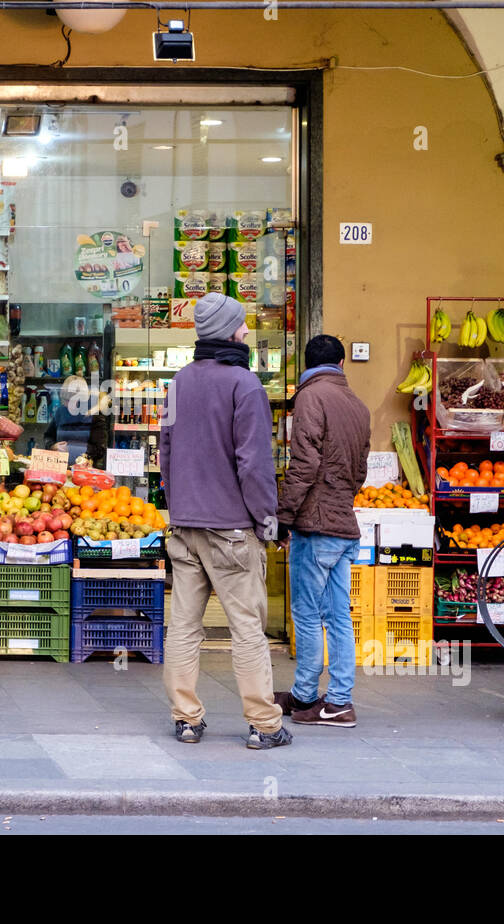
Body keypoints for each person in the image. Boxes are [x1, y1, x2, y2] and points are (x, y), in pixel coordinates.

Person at [159, 292, 290, 750]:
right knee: (247, 629)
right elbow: (253, 464)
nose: (248, 332)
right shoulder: (245, 384)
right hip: (232, 528)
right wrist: (267, 520)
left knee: (184, 626)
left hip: (186, 526)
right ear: (234, 332)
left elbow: (166, 455)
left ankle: (187, 719)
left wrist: (178, 508)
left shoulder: (177, 384)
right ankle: (263, 724)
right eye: (244, 326)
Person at [274, 335, 371, 726]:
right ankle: (339, 701)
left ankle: (304, 695)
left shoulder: (310, 398)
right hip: (345, 524)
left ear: (306, 364)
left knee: (308, 615)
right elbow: (360, 470)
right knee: (339, 617)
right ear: (342, 365)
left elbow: (304, 463)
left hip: (315, 527)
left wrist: (283, 516)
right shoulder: (358, 406)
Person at [45, 375, 108, 467]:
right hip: (59, 468)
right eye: (64, 400)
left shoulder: (94, 416)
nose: (66, 404)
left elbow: (100, 450)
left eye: (70, 400)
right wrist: (52, 446)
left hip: (84, 471)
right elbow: (48, 436)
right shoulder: (61, 412)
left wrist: (70, 449)